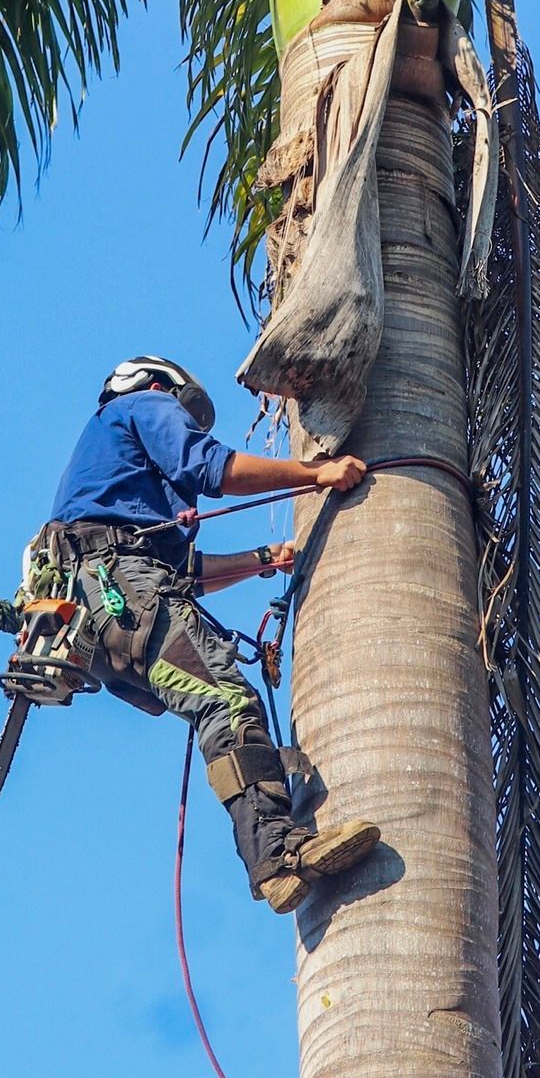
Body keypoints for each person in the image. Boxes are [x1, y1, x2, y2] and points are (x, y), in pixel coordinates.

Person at [40, 354, 380, 913]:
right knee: (225, 700)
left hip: (109, 612)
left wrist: (261, 560)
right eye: (184, 413)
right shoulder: (142, 404)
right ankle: (277, 852)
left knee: (217, 699)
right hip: (124, 593)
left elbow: (183, 573)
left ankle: (276, 848)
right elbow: (212, 470)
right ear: (155, 385)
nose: (185, 422)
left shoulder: (103, 479)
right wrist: (315, 474)